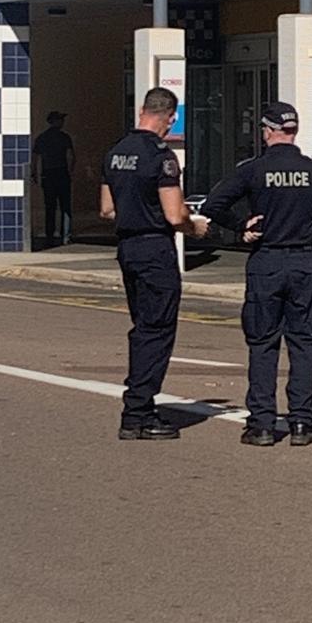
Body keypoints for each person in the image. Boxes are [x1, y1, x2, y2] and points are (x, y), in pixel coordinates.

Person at [203, 100, 312, 447]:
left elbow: (211, 206)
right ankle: (301, 424)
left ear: (267, 131)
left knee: (263, 344)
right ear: (293, 131)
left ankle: (263, 425)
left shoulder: (252, 169)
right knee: (304, 346)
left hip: (266, 262)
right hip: (304, 264)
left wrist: (242, 227)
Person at [100, 87, 208, 440]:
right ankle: (139, 412)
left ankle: (138, 406)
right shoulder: (161, 157)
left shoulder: (116, 151)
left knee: (142, 326)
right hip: (154, 249)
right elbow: (174, 214)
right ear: (171, 117)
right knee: (157, 330)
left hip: (127, 247)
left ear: (141, 110)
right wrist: (196, 227)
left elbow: (107, 209)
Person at [31, 110, 75, 246]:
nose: (62, 122)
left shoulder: (42, 138)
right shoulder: (64, 137)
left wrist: (34, 173)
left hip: (48, 174)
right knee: (65, 206)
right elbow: (70, 156)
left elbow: (35, 158)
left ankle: (50, 235)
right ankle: (66, 235)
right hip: (61, 174)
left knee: (50, 206)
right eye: (60, 119)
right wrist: (70, 172)